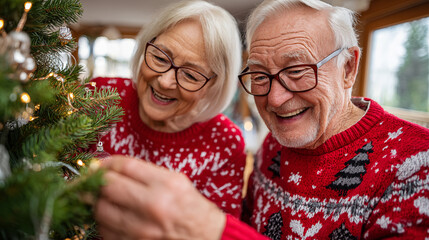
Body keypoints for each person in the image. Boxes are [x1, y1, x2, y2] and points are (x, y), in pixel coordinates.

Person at [94, 0, 429, 239]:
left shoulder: (416, 162)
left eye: (297, 71)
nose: (274, 99)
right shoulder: (276, 144)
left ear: (348, 67)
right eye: (259, 75)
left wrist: (212, 231)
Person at [91, 0, 246, 220]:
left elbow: (216, 230)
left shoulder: (224, 142)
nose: (165, 82)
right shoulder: (100, 96)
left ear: (215, 86)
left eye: (191, 75)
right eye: (160, 58)